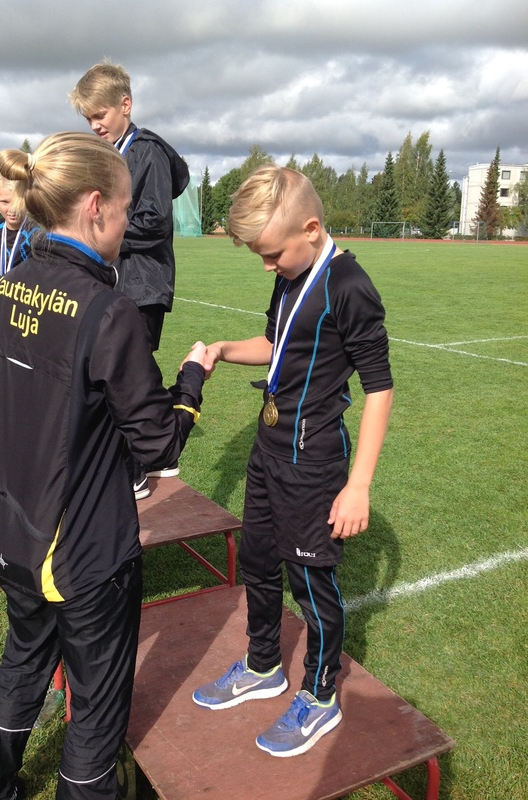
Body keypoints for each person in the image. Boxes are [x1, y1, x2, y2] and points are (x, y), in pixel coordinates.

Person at [0, 132, 206, 800]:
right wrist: (191, 381)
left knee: (22, 661)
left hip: (15, 536)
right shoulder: (108, 311)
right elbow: (159, 447)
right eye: (124, 211)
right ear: (95, 206)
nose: (127, 226)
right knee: (95, 707)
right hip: (87, 555)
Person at [192, 164, 394, 758]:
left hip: (314, 462)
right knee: (257, 561)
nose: (266, 266)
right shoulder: (291, 273)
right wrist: (225, 349)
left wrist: (358, 486)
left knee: (309, 580)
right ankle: (262, 667)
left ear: (310, 229)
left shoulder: (349, 286)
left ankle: (320, 695)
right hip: (269, 449)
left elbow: (380, 389)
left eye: (271, 254)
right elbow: (278, 346)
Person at [70, 61, 190, 499]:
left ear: (125, 104)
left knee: (127, 377)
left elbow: (154, 223)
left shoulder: (147, 152)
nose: (94, 125)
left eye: (99, 115)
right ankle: (145, 453)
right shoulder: (112, 154)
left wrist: (94, 236)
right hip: (119, 283)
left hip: (143, 286)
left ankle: (138, 466)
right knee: (115, 373)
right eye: (88, 118)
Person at [0, 171, 38, 280]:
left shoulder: (37, 233)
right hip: (1, 289)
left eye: (18, 201)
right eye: (5, 202)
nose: (12, 209)